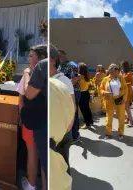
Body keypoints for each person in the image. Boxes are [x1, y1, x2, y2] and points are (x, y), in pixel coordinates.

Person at [17, 45, 47, 190]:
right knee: (45, 157)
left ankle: (31, 185)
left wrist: (21, 115)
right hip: (45, 121)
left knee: (32, 153)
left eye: (31, 56)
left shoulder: (29, 74)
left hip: (32, 121)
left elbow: (22, 97)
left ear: (40, 58)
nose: (28, 59)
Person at [50, 45, 75, 175]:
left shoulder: (64, 80)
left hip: (61, 131)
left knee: (62, 165)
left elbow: (72, 105)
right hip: (48, 130)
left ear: (53, 61)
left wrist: (67, 127)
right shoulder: (42, 79)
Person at [50, 78, 75, 190]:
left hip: (55, 138)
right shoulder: (62, 83)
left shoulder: (61, 82)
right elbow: (72, 108)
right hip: (61, 133)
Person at [58, 50, 81, 143]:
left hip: (73, 92)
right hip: (63, 92)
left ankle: (75, 136)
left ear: (63, 55)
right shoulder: (59, 65)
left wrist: (65, 86)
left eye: (58, 56)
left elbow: (75, 79)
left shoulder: (72, 65)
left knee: (73, 114)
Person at [100, 64, 127, 140]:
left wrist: (124, 100)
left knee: (121, 117)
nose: (116, 74)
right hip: (109, 100)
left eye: (117, 72)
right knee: (109, 117)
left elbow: (125, 89)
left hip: (119, 100)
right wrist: (105, 93)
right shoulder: (105, 79)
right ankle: (108, 133)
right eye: (114, 72)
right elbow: (100, 89)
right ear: (110, 71)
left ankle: (121, 133)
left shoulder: (121, 78)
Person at [78, 62, 93, 129]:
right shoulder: (87, 76)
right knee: (87, 108)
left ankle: (87, 123)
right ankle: (90, 121)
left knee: (83, 110)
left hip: (81, 94)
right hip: (86, 93)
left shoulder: (80, 76)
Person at [120, 61, 133, 127]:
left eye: (122, 65)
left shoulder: (129, 74)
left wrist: (125, 84)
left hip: (128, 91)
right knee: (126, 107)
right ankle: (128, 119)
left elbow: (132, 83)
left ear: (124, 66)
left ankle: (131, 121)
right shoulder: (123, 73)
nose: (121, 67)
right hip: (124, 91)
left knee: (127, 107)